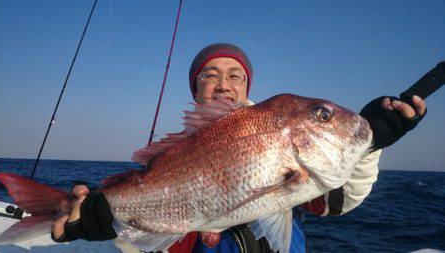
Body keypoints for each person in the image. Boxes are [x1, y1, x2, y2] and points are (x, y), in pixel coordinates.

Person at [51, 43, 427, 252]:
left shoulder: (279, 141)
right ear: (196, 90)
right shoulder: (179, 150)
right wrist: (102, 219)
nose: (223, 84)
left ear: (247, 87)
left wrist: (370, 145)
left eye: (235, 76)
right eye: (209, 76)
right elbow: (158, 238)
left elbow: (336, 203)